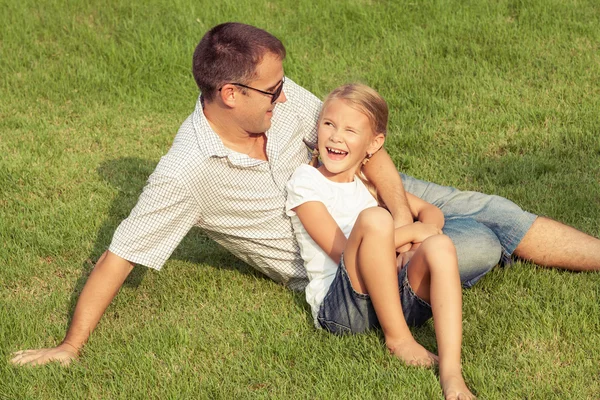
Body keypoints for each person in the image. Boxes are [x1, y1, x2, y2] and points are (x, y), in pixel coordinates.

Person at [10, 22, 600, 367]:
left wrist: (400, 214)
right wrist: (68, 346)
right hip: (337, 260)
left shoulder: (279, 94)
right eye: (270, 90)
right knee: (473, 240)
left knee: (493, 209)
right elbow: (121, 254)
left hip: (368, 196)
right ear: (229, 94)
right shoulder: (186, 173)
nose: (286, 97)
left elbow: (362, 141)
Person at [286, 83, 475, 399]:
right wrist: (410, 234)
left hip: (389, 296)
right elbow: (342, 250)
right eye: (329, 124)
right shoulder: (306, 182)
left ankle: (452, 372)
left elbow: (430, 212)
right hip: (343, 305)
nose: (335, 136)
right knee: (376, 220)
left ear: (373, 144)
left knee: (440, 246)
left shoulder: (366, 183)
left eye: (350, 130)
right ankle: (398, 339)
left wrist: (416, 245)